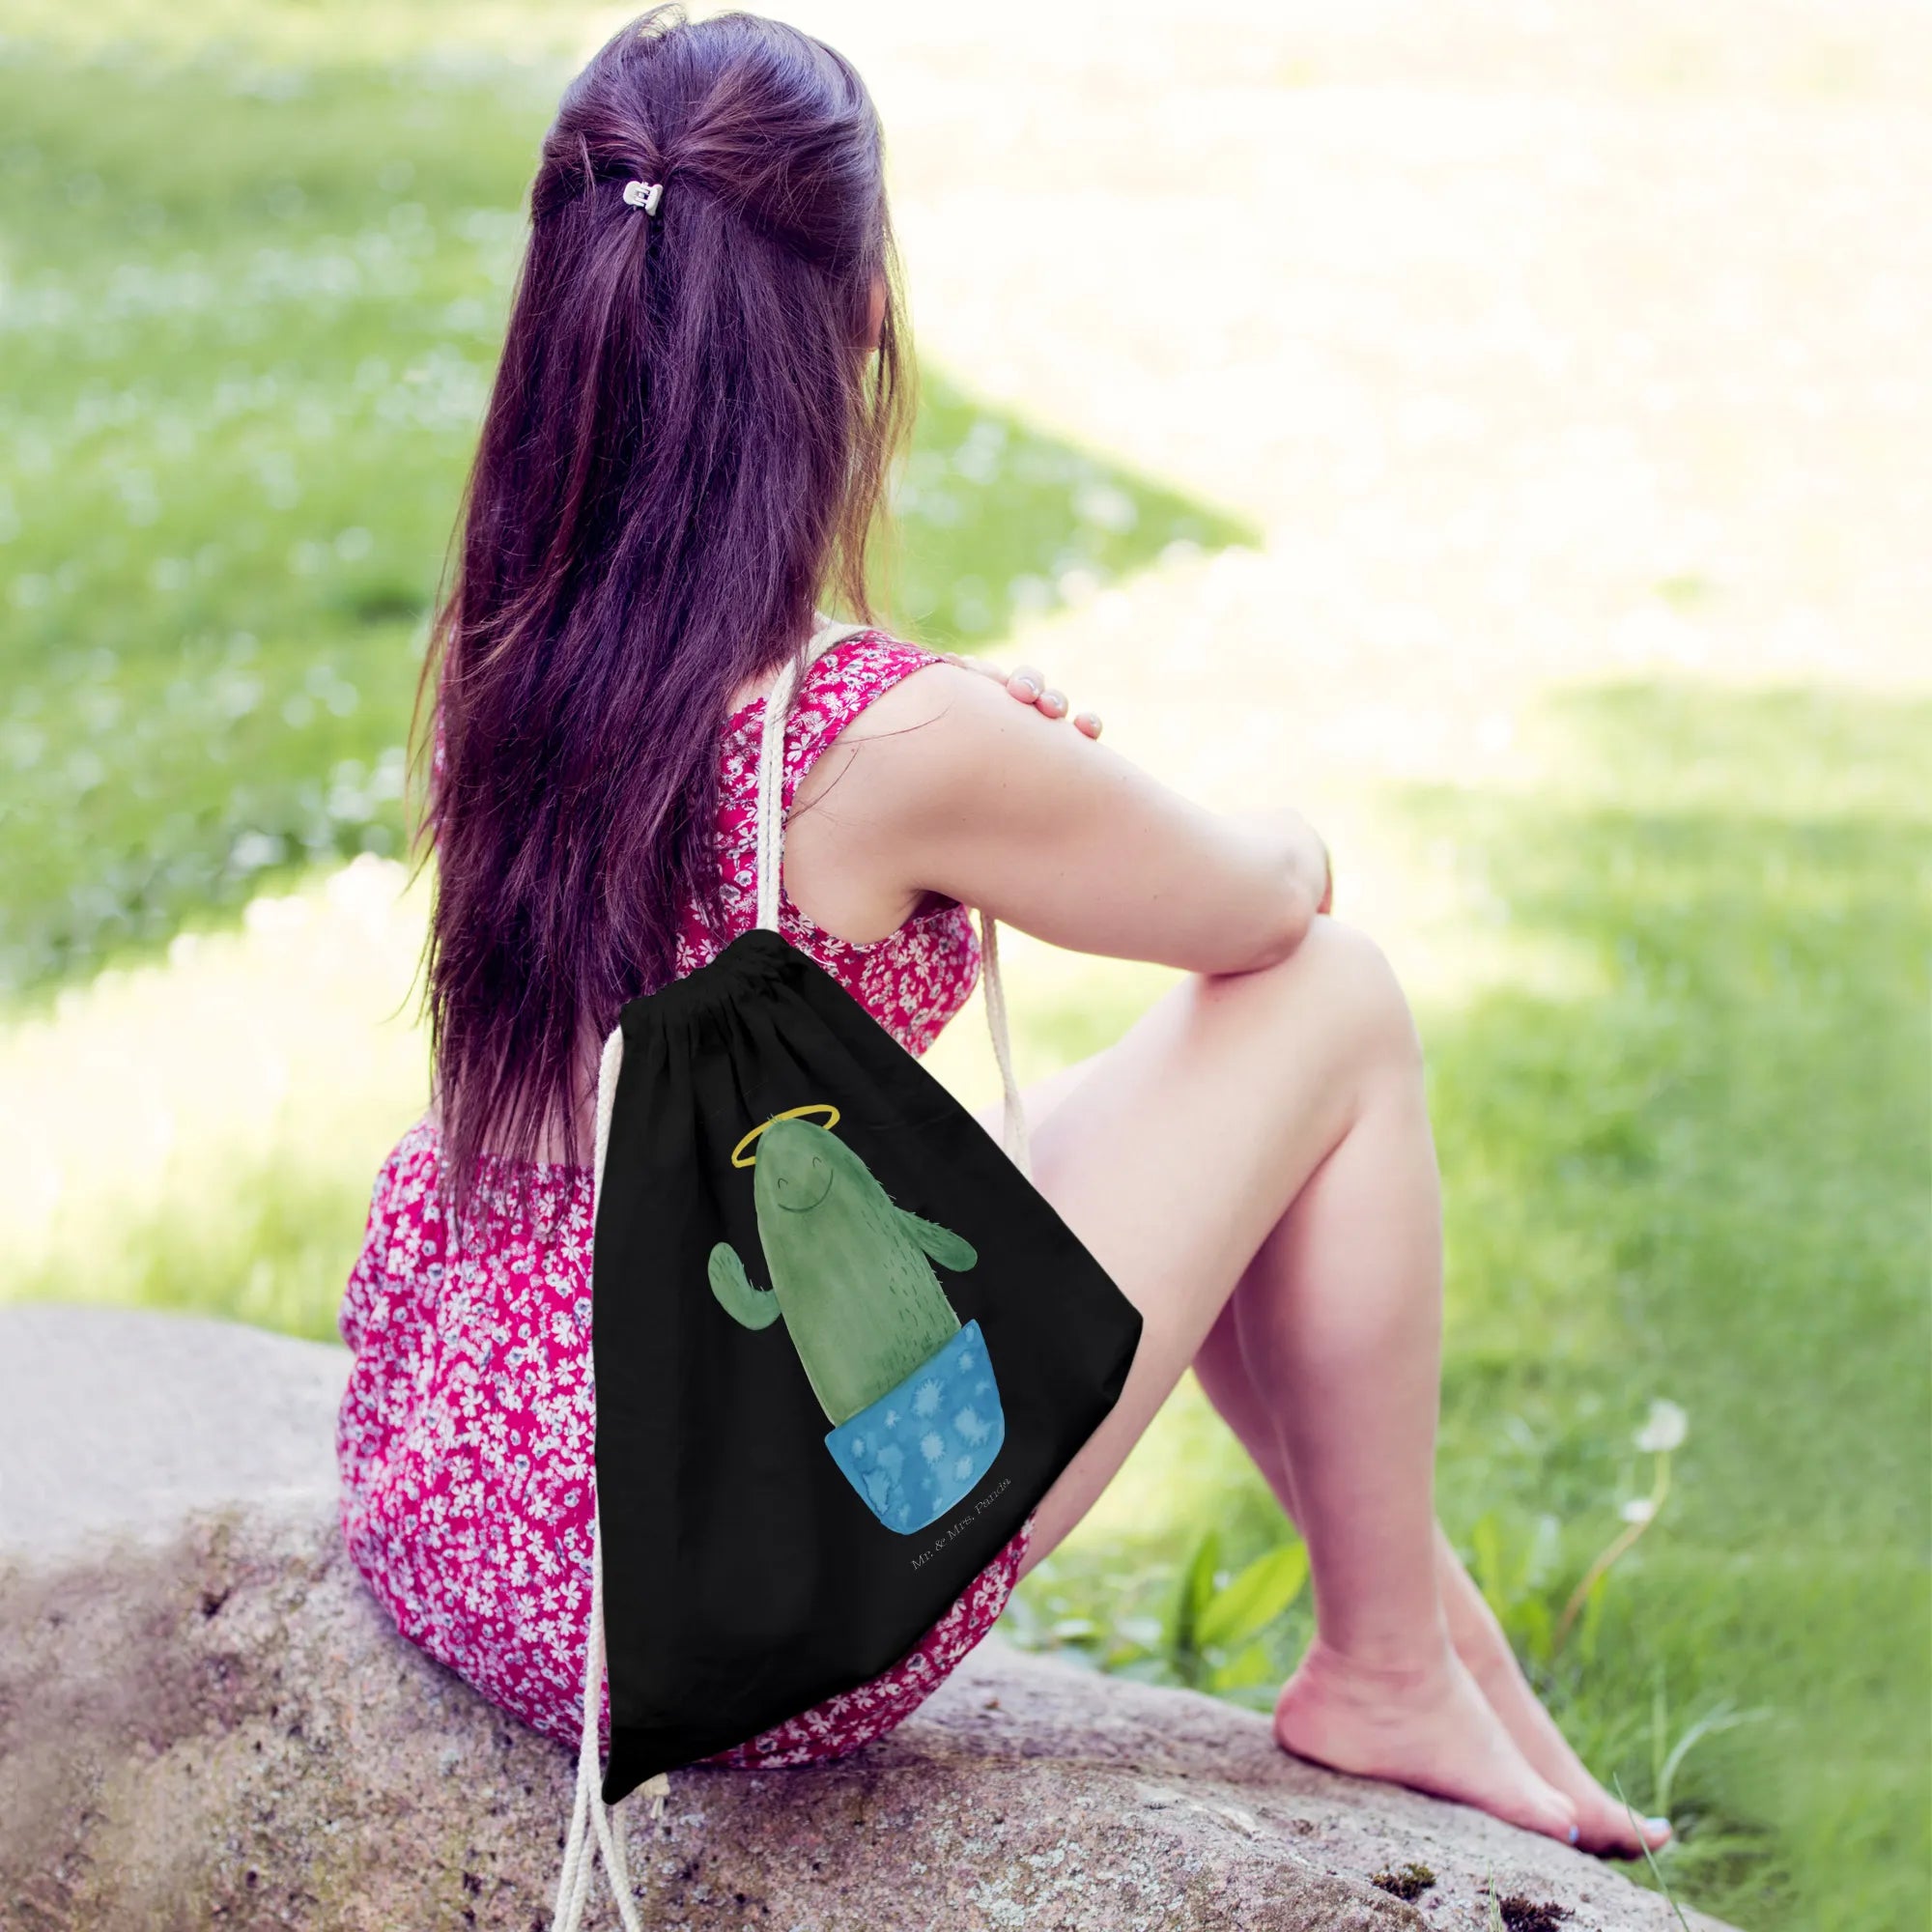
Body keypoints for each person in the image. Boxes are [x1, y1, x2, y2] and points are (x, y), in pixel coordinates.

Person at [334, 3, 1670, 1858]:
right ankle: (1384, 1661)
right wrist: (1147, 800)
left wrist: (963, 753)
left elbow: (779, 812)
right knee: (1333, 1005)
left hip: (473, 1503)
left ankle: (1440, 1648)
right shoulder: (887, 741)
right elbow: (1260, 906)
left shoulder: (515, 647)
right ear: (863, 311)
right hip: (742, 1568)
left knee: (1199, 1135)